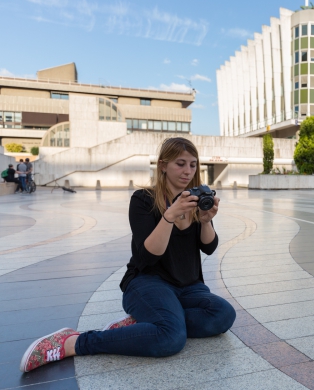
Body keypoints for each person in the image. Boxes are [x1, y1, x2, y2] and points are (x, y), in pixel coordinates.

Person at [20, 137, 236, 373]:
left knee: (223, 315)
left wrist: (206, 221)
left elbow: (209, 247)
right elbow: (149, 255)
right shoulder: (143, 199)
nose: (188, 171)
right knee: (171, 338)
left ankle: (142, 326)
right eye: (180, 163)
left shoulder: (195, 199)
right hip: (148, 282)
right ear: (163, 165)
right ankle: (74, 342)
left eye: (193, 165)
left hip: (189, 286)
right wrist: (170, 216)